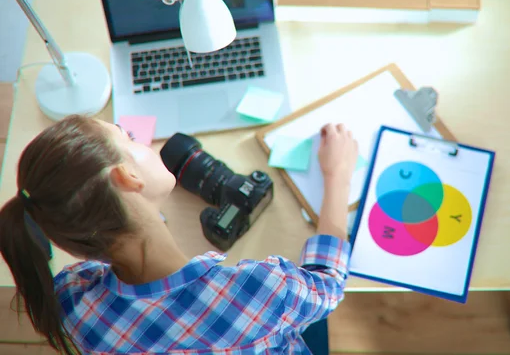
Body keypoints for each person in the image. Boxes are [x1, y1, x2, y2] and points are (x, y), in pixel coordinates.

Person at [0, 115, 358, 354]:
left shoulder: (70, 302)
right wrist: (337, 174)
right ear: (128, 178)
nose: (145, 141)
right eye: (131, 137)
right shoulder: (259, 290)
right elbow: (328, 286)